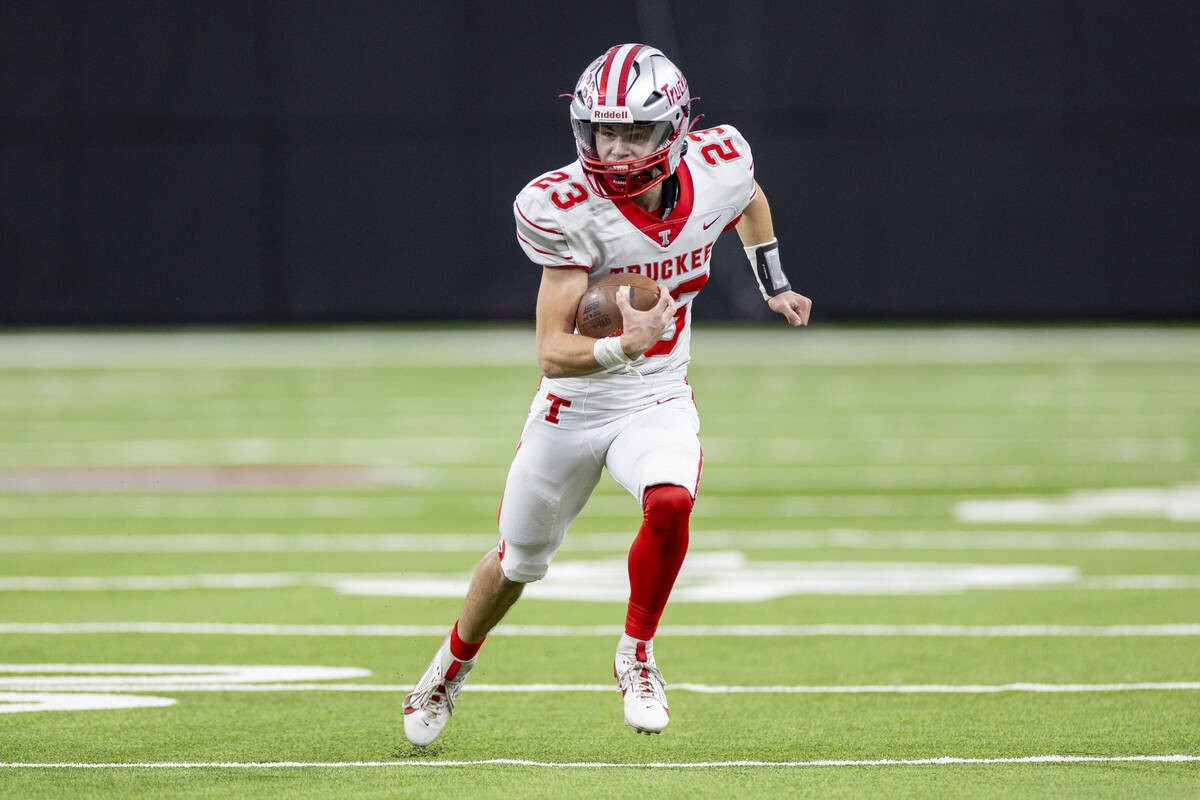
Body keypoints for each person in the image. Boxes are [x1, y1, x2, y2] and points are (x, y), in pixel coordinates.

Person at [403, 43, 811, 746]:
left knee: (671, 501)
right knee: (518, 561)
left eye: (634, 132)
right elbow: (552, 353)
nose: (616, 149)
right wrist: (625, 341)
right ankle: (448, 668)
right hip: (574, 406)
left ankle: (637, 654)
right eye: (603, 130)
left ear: (676, 129)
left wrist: (772, 282)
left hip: (655, 394)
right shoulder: (563, 206)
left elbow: (749, 199)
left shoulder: (719, 164)